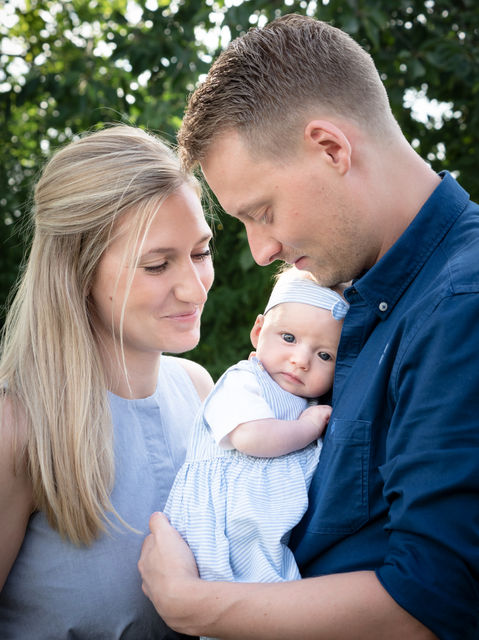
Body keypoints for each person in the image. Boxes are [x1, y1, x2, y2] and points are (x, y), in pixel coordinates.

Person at [138, 13, 479, 640]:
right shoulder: (364, 299)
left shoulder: (461, 303)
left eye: (261, 212)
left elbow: (437, 600)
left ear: (331, 149)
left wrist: (194, 605)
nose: (261, 250)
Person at [0, 124, 215, 638]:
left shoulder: (202, 389)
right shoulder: (17, 427)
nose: (194, 287)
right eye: (158, 264)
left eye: (202, 252)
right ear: (79, 271)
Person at [164, 267, 348, 604]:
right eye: (288, 338)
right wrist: (307, 428)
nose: (300, 360)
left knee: (274, 602)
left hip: (264, 525)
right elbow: (251, 437)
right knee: (242, 603)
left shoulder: (307, 402)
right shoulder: (244, 381)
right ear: (259, 331)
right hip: (223, 523)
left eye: (324, 355)